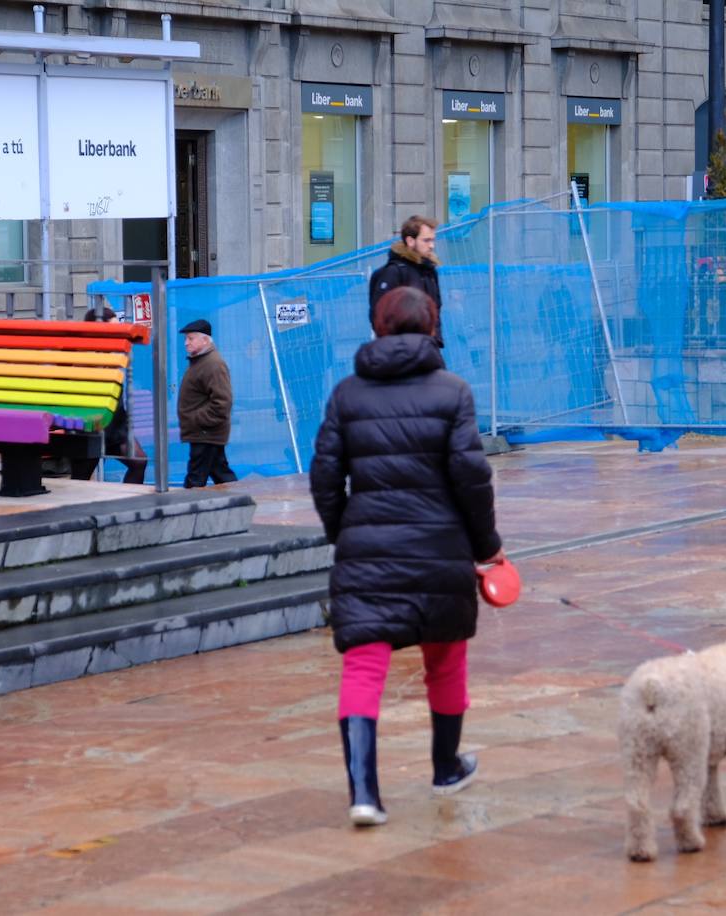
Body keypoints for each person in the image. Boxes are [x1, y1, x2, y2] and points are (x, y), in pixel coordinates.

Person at [309, 285, 504, 828]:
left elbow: (324, 474)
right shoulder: (453, 391)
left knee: (363, 667)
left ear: (379, 327)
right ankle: (445, 767)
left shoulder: (348, 394)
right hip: (441, 549)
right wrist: (486, 545)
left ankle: (365, 794)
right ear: (432, 327)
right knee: (445, 658)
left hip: (367, 549)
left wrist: (342, 531)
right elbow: (472, 477)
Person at [70, 306, 148, 485]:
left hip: (115, 426)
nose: (118, 331)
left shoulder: (113, 350)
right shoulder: (82, 353)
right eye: (113, 327)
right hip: (89, 426)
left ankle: (126, 504)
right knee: (80, 478)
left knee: (139, 461)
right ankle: (75, 509)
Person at [177, 317, 236, 488]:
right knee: (221, 473)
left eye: (191, 338)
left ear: (204, 340)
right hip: (204, 432)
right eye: (185, 339)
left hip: (206, 433)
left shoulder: (213, 364)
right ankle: (239, 503)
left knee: (195, 480)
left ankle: (185, 512)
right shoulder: (202, 362)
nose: (186, 343)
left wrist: (196, 419)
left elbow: (222, 403)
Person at [368, 215, 442, 340]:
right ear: (410, 241)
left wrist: (436, 341)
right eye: (426, 240)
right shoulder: (393, 272)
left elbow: (436, 310)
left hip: (427, 347)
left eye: (433, 240)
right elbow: (379, 314)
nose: (431, 246)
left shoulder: (430, 271)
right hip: (400, 351)